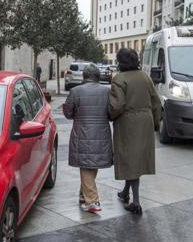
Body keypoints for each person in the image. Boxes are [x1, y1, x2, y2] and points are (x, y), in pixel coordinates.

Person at [109, 48, 162, 215]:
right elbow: (156, 101)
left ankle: (136, 201)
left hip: (128, 121)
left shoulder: (119, 79)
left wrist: (110, 115)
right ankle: (126, 191)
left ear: (120, 61)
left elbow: (117, 106)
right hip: (145, 120)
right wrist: (155, 122)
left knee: (128, 157)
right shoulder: (145, 77)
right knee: (135, 159)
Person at [62, 64, 113, 213]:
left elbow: (68, 113)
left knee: (86, 164)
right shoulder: (107, 91)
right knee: (91, 163)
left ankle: (92, 201)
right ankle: (84, 195)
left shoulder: (75, 91)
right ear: (98, 76)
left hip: (82, 133)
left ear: (84, 76)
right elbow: (111, 113)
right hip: (101, 133)